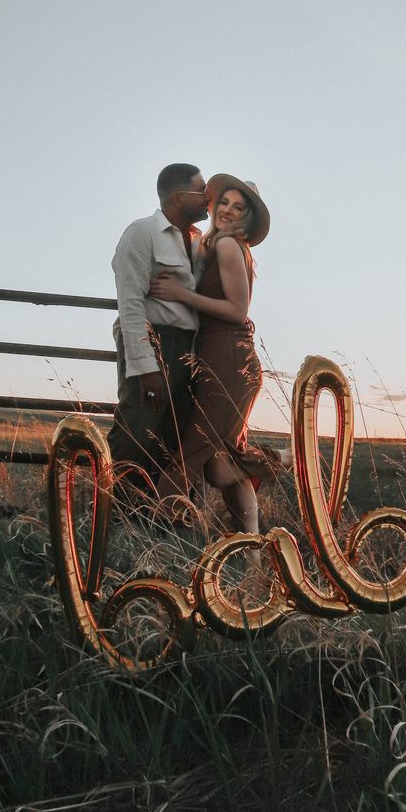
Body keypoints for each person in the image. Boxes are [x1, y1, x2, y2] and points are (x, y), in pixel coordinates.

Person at [148, 173, 284, 538]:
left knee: (195, 455)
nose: (227, 209)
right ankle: (252, 555)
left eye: (238, 207)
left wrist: (181, 294)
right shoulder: (217, 244)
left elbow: (238, 310)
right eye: (224, 202)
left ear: (246, 217)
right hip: (222, 356)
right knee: (221, 464)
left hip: (229, 357)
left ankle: (281, 462)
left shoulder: (228, 246)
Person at [108, 163, 212, 493]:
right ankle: (120, 516)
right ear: (180, 197)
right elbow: (130, 302)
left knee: (176, 437)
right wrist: (144, 366)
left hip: (188, 348)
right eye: (202, 190)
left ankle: (166, 520)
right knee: (138, 431)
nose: (208, 198)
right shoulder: (142, 233)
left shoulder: (198, 243)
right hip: (154, 341)